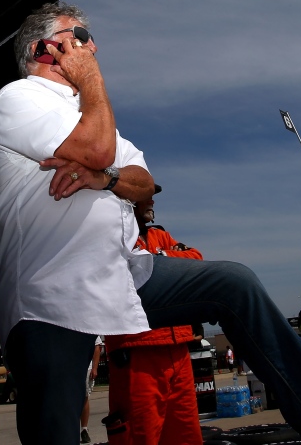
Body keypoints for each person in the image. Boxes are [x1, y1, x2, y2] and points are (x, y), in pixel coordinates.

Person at [0, 1, 301, 445]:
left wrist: (107, 177)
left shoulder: (94, 117)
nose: (93, 47)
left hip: (121, 271)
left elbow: (144, 184)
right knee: (54, 429)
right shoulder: (19, 98)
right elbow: (99, 148)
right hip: (53, 286)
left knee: (232, 283)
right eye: (79, 37)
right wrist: (93, 91)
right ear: (45, 48)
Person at [104, 184, 204, 445]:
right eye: (146, 195)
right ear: (127, 199)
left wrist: (155, 257)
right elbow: (121, 269)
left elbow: (196, 259)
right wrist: (169, 259)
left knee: (187, 435)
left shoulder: (160, 236)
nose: (153, 201)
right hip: (137, 353)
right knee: (141, 435)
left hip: (178, 347)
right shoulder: (110, 237)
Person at [80, 335, 104, 443]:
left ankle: (84, 429)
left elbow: (97, 346)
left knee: (83, 398)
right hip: (69, 367)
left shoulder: (88, 327)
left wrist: (94, 368)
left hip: (86, 368)